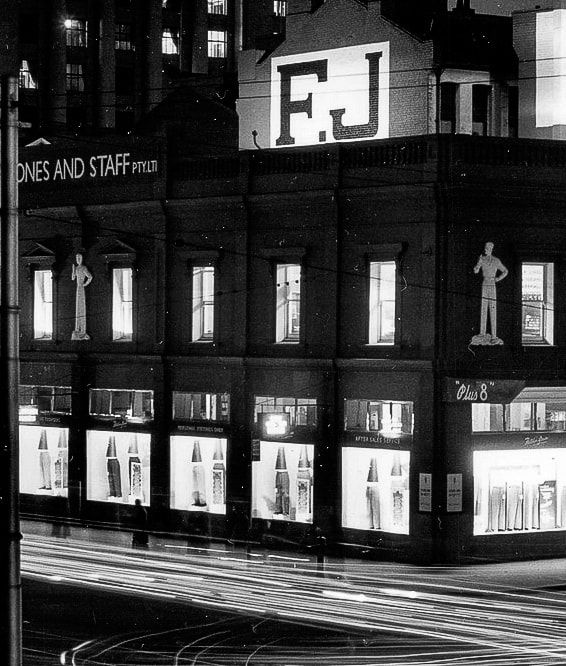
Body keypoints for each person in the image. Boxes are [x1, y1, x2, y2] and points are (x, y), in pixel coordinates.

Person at [473, 242, 508, 341]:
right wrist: (478, 263)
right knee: (483, 307)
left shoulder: (496, 261)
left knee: (493, 308)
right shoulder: (482, 259)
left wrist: (498, 279)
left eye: (487, 248)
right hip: (485, 283)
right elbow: (476, 271)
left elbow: (505, 271)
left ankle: (494, 336)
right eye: (485, 248)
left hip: (492, 284)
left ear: (491, 249)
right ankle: (482, 333)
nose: (485, 250)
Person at [71, 252, 93, 340]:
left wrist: (85, 284)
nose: (78, 260)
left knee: (81, 307)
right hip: (78, 288)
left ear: (82, 259)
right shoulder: (76, 268)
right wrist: (73, 271)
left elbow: (90, 277)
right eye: (77, 259)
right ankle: (78, 329)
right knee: (78, 308)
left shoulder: (84, 268)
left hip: (81, 288)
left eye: (79, 258)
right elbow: (73, 278)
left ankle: (82, 331)